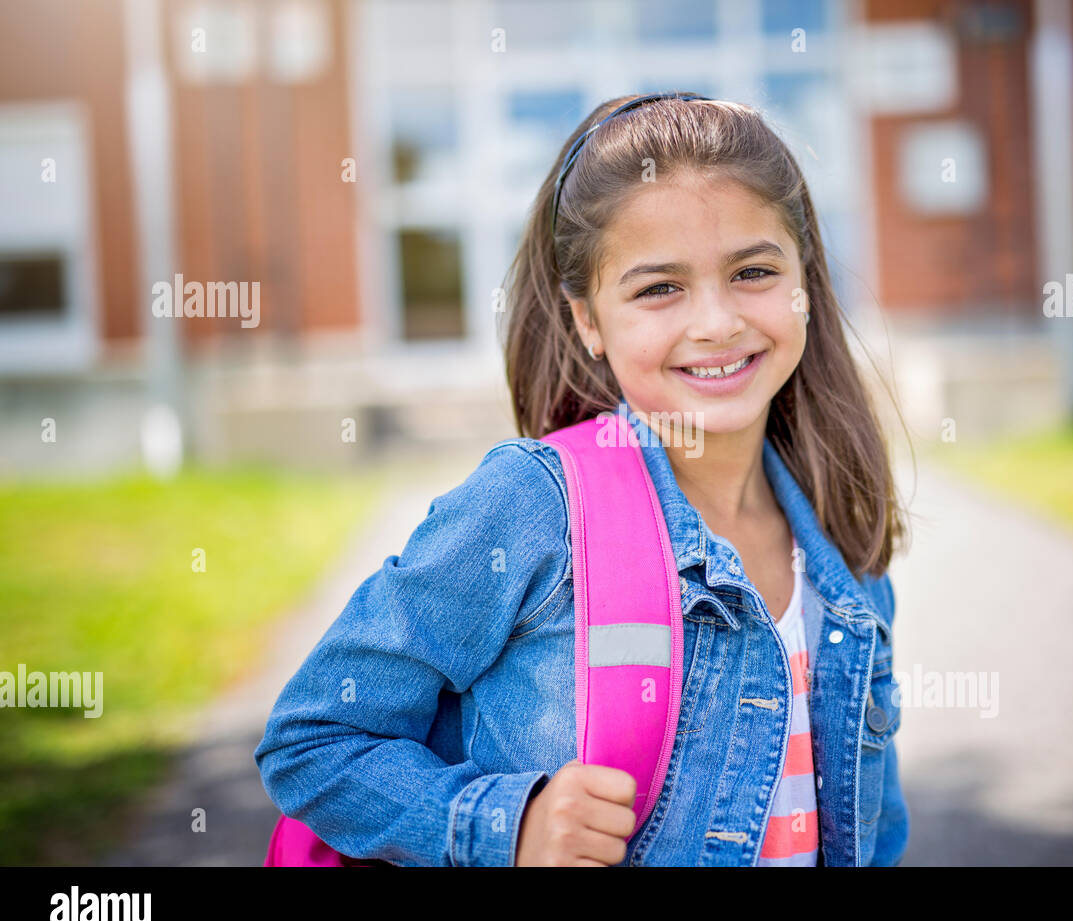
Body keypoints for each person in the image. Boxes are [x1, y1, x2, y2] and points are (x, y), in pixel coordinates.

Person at [254, 92, 909, 866]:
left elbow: (875, 835)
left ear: (805, 281)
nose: (717, 322)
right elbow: (315, 736)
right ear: (587, 321)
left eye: (753, 271)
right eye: (659, 288)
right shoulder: (534, 507)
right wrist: (505, 828)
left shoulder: (842, 552)